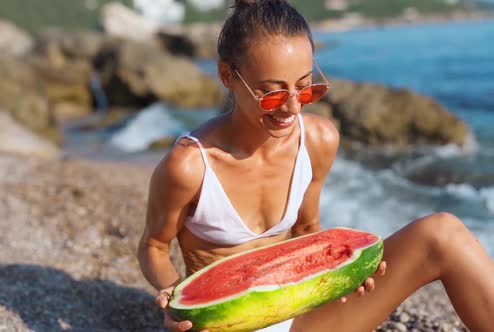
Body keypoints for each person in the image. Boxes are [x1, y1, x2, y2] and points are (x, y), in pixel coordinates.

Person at [137, 1, 494, 331]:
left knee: (442, 232)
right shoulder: (189, 165)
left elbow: (307, 229)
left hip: (303, 316)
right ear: (228, 76)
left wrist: (342, 271)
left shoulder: (318, 140)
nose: (292, 108)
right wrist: (173, 296)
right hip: (224, 324)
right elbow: (153, 246)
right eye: (272, 93)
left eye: (306, 89)